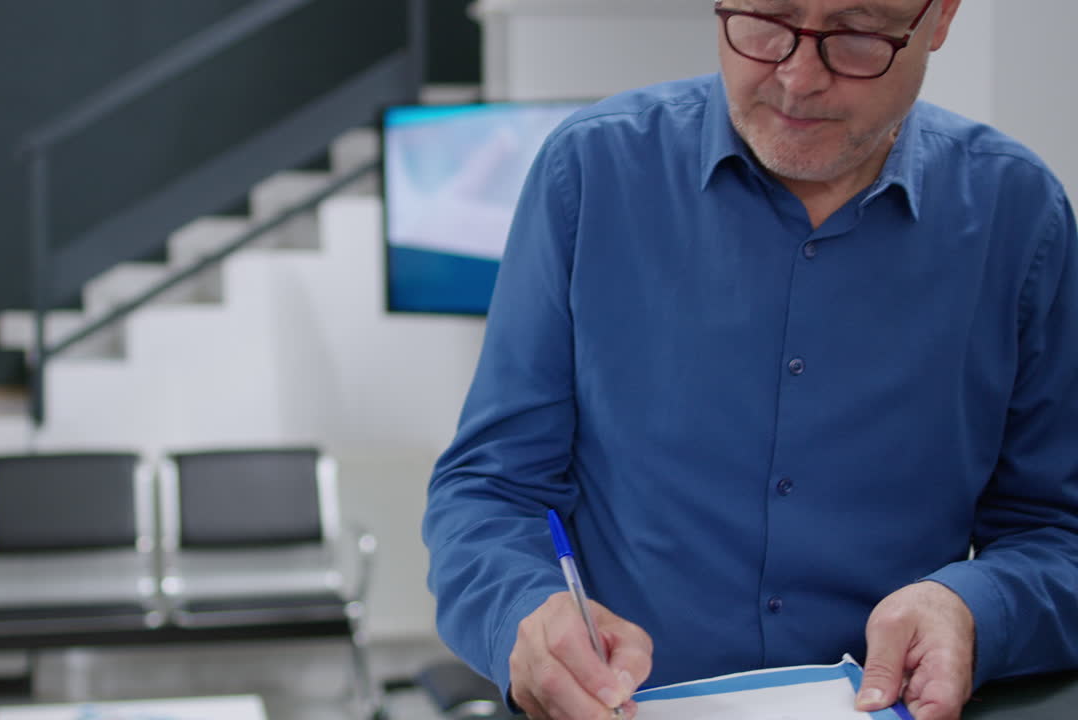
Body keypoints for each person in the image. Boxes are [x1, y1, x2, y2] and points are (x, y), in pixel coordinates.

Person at [422, 1, 1078, 719]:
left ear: (940, 18)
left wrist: (973, 609)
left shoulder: (1019, 215)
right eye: (765, 21)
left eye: (856, 36)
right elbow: (491, 489)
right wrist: (524, 612)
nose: (797, 78)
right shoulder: (590, 173)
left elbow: (1058, 534)